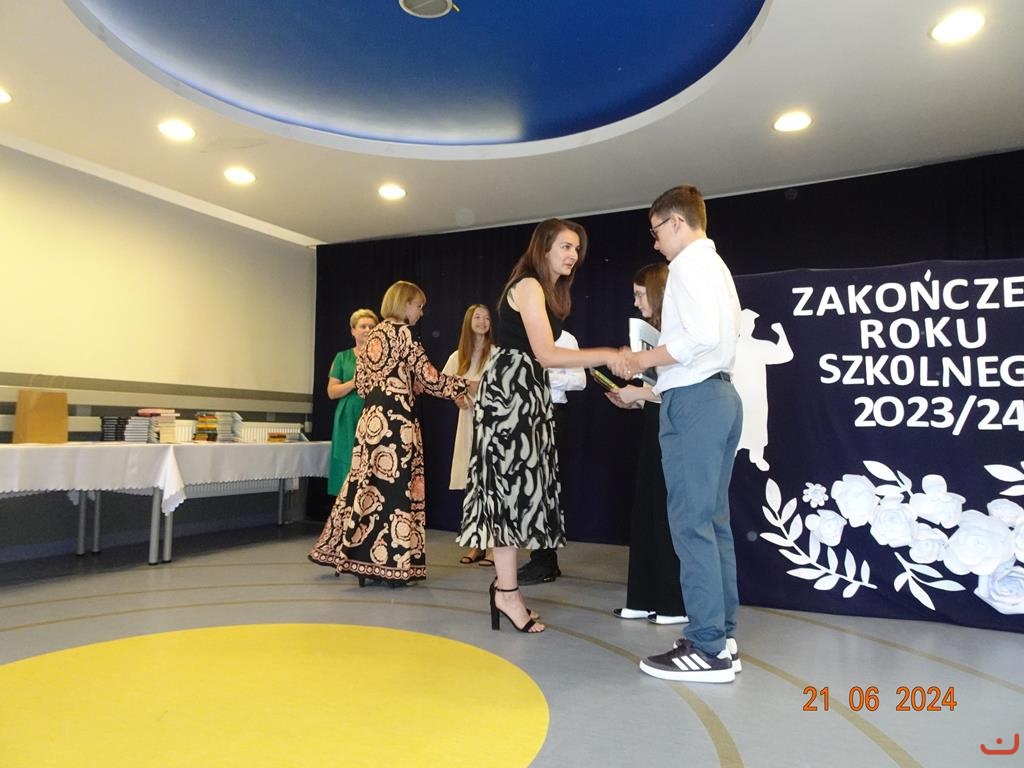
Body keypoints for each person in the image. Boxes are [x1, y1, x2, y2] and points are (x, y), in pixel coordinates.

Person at [459, 218, 620, 633]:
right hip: (510, 395)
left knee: (515, 494)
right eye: (565, 246)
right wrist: (608, 355)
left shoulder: (547, 290)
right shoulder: (529, 285)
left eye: (577, 249)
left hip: (526, 393)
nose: (573, 255)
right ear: (543, 249)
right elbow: (546, 354)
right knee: (508, 493)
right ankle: (507, 593)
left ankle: (506, 591)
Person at [612, 185, 742, 683]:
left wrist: (641, 359)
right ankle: (721, 637)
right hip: (720, 396)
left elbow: (700, 338)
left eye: (656, 231)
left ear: (675, 223)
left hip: (696, 402)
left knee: (690, 525)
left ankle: (708, 647)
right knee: (712, 523)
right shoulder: (717, 266)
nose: (655, 243)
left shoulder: (689, 265)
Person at [309, 281, 472, 586]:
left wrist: (403, 386)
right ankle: (390, 566)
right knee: (395, 491)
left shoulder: (373, 336)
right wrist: (465, 385)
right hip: (396, 423)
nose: (420, 313)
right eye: (418, 306)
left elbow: (367, 384)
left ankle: (359, 559)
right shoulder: (404, 333)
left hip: (370, 420)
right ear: (405, 304)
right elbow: (430, 378)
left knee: (366, 487)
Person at [605, 263, 687, 625]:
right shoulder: (657, 333)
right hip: (655, 425)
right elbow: (657, 389)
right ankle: (642, 597)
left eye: (641, 295)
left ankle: (672, 602)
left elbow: (679, 388)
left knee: (666, 514)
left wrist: (637, 393)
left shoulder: (682, 333)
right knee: (646, 511)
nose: (637, 302)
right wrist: (634, 397)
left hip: (676, 429)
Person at [516, 329, 586, 585]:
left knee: (545, 489)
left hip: (552, 414)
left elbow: (579, 381)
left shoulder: (566, 339)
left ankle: (545, 560)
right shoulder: (524, 336)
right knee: (529, 490)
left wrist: (543, 376)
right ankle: (541, 557)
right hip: (524, 415)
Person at [441, 304, 495, 566]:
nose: (482, 321)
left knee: (492, 486)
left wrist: (472, 387)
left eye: (486, 318)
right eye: (477, 317)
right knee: (473, 486)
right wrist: (457, 397)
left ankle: (495, 546)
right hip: (468, 424)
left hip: (492, 426)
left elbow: (500, 388)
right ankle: (477, 544)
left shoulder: (496, 354)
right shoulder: (458, 356)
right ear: (468, 321)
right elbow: (444, 383)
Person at [326, 308, 379, 497]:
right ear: (353, 331)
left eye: (371, 326)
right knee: (347, 458)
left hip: (374, 414)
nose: (367, 330)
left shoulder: (382, 358)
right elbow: (332, 392)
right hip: (348, 415)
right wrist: (353, 383)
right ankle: (345, 504)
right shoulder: (342, 357)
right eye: (363, 326)